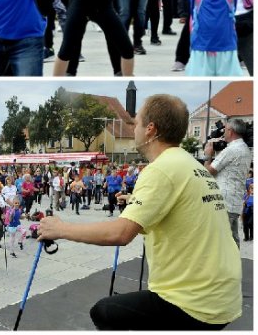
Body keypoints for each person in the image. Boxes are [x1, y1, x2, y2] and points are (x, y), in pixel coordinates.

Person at [38, 94, 242, 330]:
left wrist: (61, 229)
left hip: (195, 302)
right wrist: (134, 199)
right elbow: (179, 204)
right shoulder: (191, 164)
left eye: (136, 123)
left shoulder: (161, 169)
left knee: (104, 312)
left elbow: (121, 234)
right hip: (223, 295)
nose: (133, 128)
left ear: (150, 129)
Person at [204, 119, 252, 247]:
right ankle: (234, 266)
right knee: (232, 241)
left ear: (230, 131)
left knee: (218, 243)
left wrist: (208, 155)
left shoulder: (231, 150)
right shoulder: (245, 149)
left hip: (223, 202)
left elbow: (208, 172)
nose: (223, 133)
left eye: (225, 130)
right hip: (234, 203)